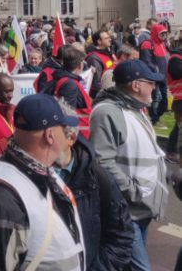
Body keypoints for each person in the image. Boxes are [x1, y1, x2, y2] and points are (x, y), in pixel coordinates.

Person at [0, 94, 84, 270]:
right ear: (50, 135)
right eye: (64, 128)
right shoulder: (0, 196)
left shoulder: (39, 168)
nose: (69, 136)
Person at [90, 60, 168, 270]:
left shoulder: (134, 109)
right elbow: (102, 162)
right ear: (136, 85)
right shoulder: (108, 112)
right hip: (126, 212)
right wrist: (132, 192)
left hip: (140, 209)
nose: (155, 87)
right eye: (151, 83)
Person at [52, 101, 134, 270]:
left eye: (51, 137)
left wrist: (100, 267)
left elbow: (120, 234)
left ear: (71, 138)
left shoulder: (98, 177)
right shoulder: (30, 174)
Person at [48, 45, 92, 139]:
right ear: (80, 65)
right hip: (76, 136)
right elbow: (68, 113)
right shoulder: (69, 84)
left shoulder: (60, 78)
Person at [139, 23, 169, 126]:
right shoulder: (147, 44)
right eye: (162, 34)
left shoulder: (162, 44)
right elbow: (146, 61)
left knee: (163, 100)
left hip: (163, 76)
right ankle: (154, 119)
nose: (164, 37)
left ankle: (156, 118)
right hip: (153, 77)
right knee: (155, 98)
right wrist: (156, 74)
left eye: (165, 34)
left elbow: (165, 59)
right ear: (156, 33)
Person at [86, 30, 115, 98]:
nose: (110, 39)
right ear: (99, 41)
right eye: (106, 38)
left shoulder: (107, 53)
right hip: (103, 95)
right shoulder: (94, 58)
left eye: (109, 37)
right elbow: (96, 82)